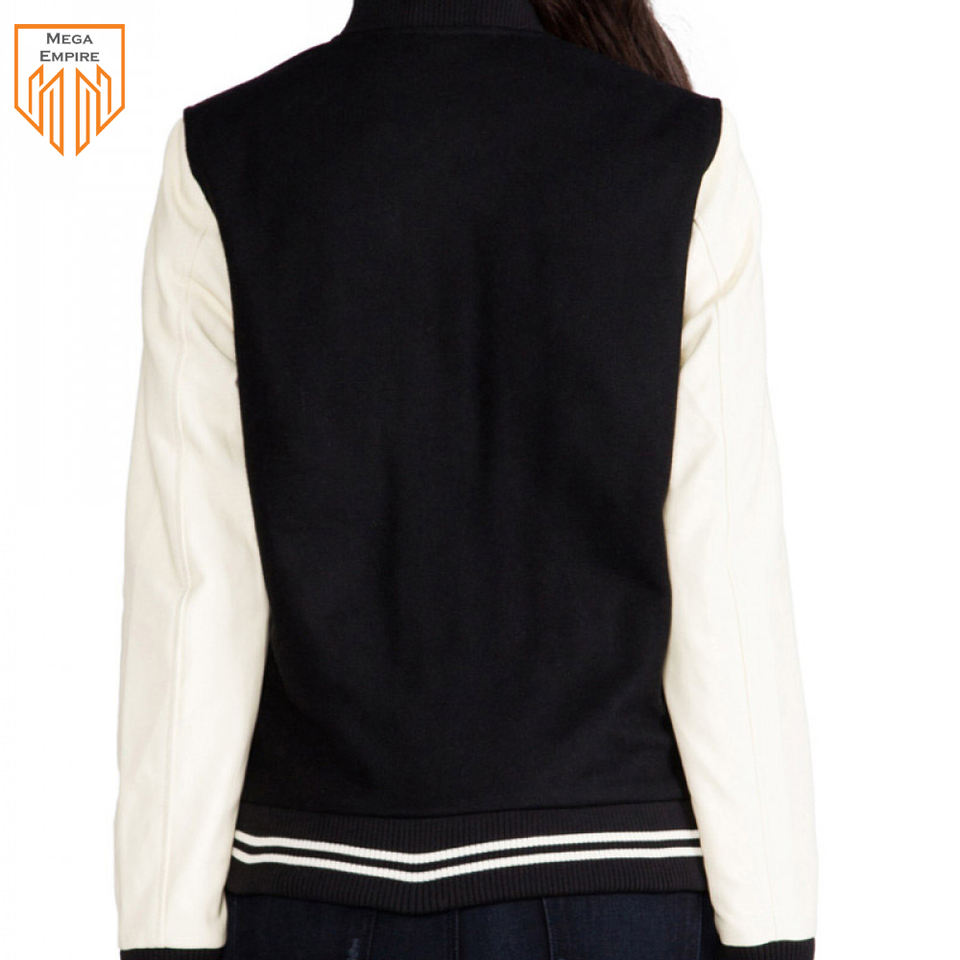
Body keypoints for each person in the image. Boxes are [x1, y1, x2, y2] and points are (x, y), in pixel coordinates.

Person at [113, 1, 819, 958]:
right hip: (612, 889)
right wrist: (774, 935)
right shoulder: (677, 154)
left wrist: (162, 935)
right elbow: (725, 586)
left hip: (319, 887)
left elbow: (195, 597)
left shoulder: (227, 160)